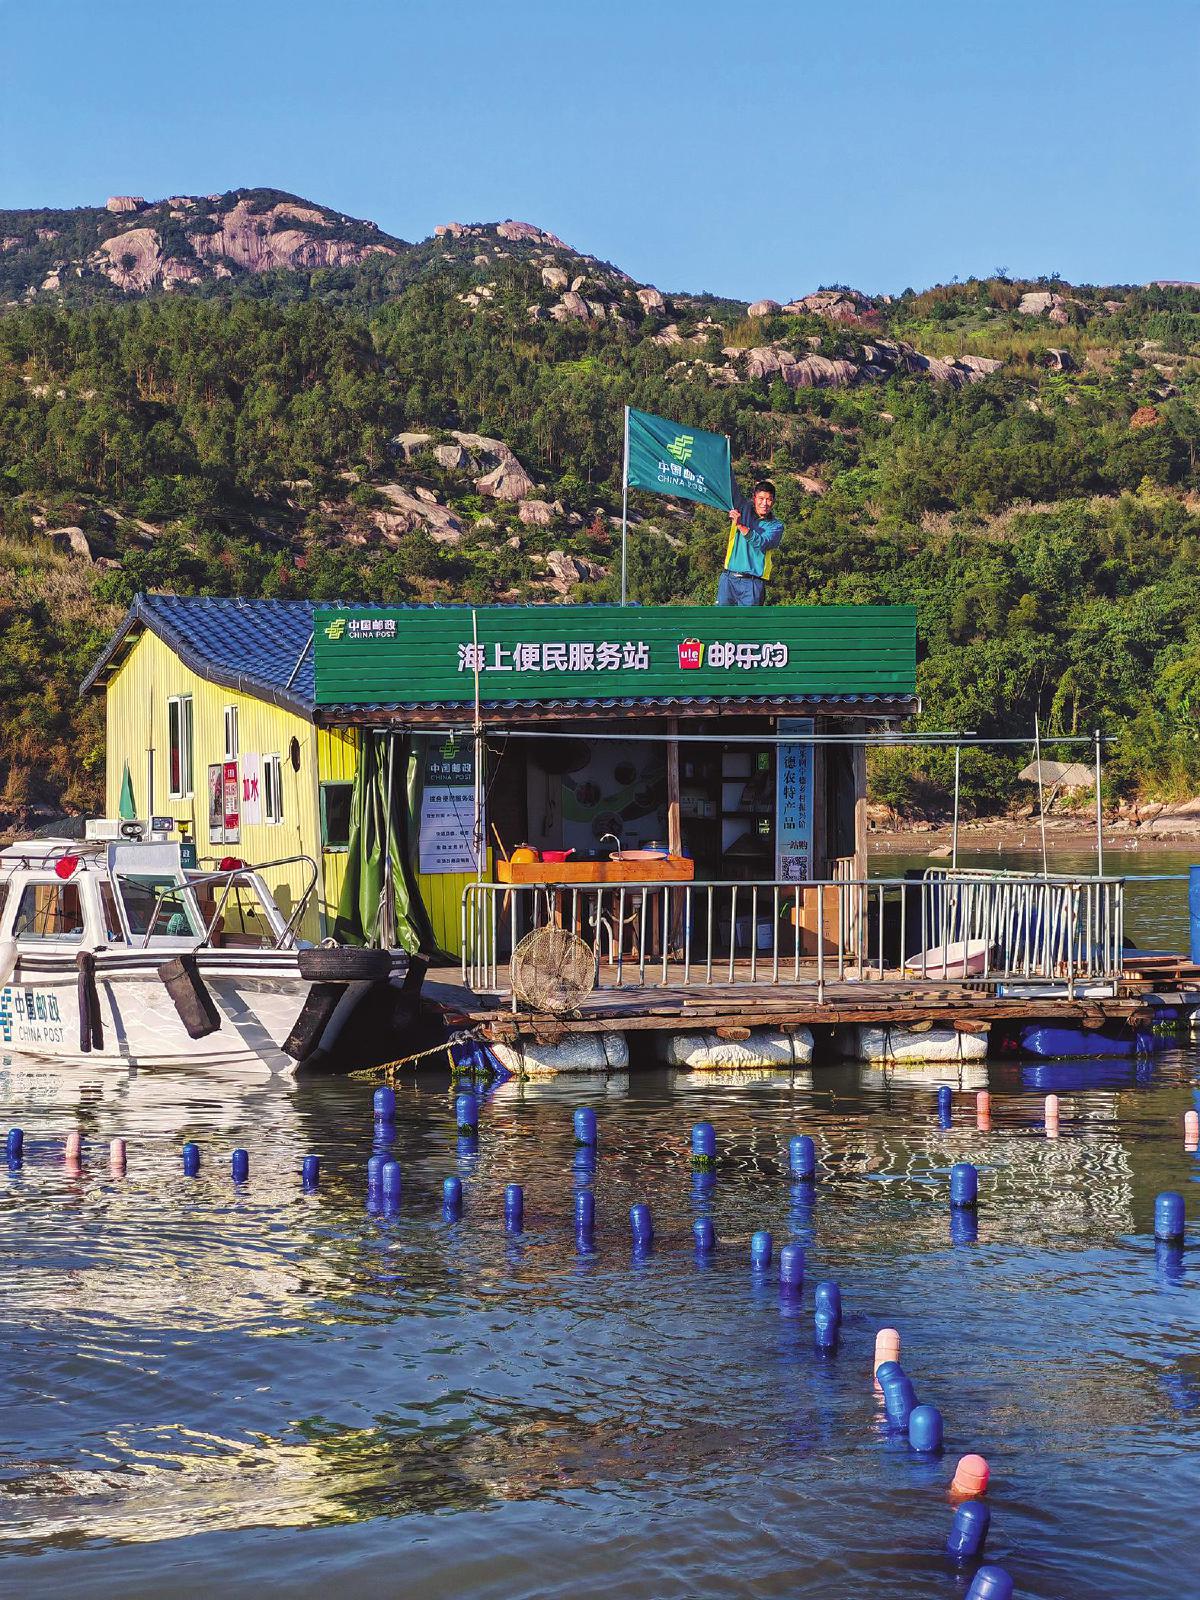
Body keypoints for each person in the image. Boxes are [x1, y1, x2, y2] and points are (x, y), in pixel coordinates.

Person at [716, 479, 783, 606]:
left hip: (752, 583)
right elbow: (730, 488)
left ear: (773, 501)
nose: (764, 503)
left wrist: (740, 526)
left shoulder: (776, 526)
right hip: (728, 579)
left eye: (769, 499)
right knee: (721, 618)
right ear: (754, 498)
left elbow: (762, 543)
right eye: (761, 498)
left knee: (748, 619)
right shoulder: (742, 509)